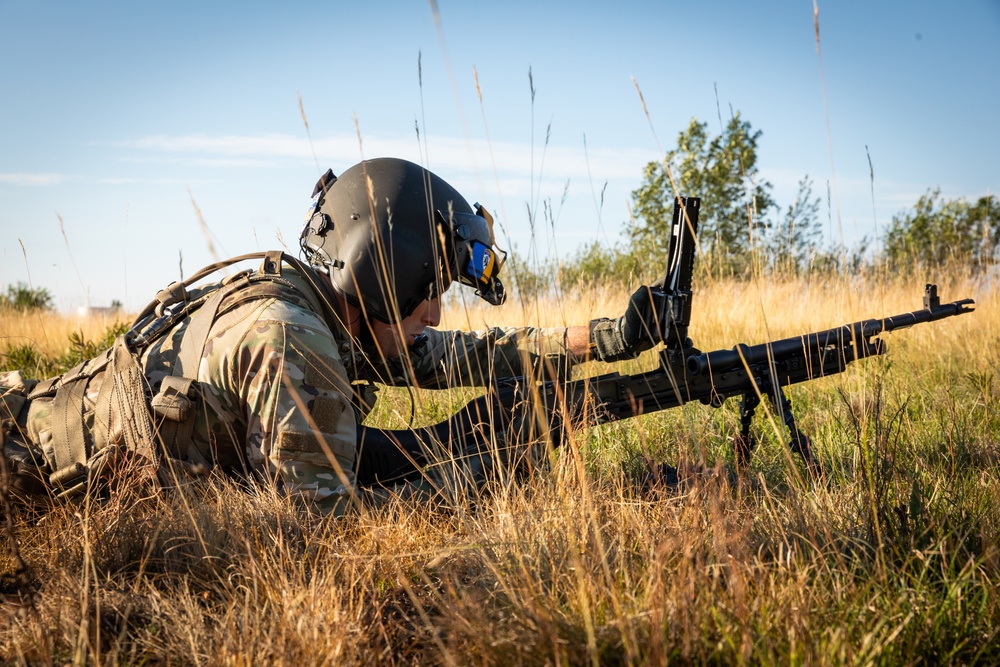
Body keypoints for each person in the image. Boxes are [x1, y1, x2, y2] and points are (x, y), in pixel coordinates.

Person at [0, 158, 656, 515]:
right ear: (383, 273)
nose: (436, 312)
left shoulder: (330, 311)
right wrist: (482, 474)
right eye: (431, 289)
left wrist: (611, 338)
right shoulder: (296, 340)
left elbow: (469, 355)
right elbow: (314, 527)